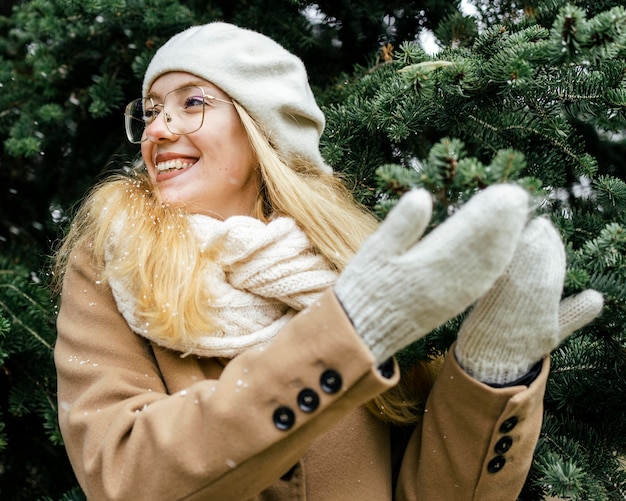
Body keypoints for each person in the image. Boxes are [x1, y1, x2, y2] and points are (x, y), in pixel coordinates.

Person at [53, 22, 604, 500]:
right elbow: (125, 474)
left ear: (263, 129)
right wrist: (346, 333)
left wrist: (492, 372)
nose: (157, 130)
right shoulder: (112, 261)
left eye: (191, 103)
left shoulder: (350, 263)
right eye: (149, 112)